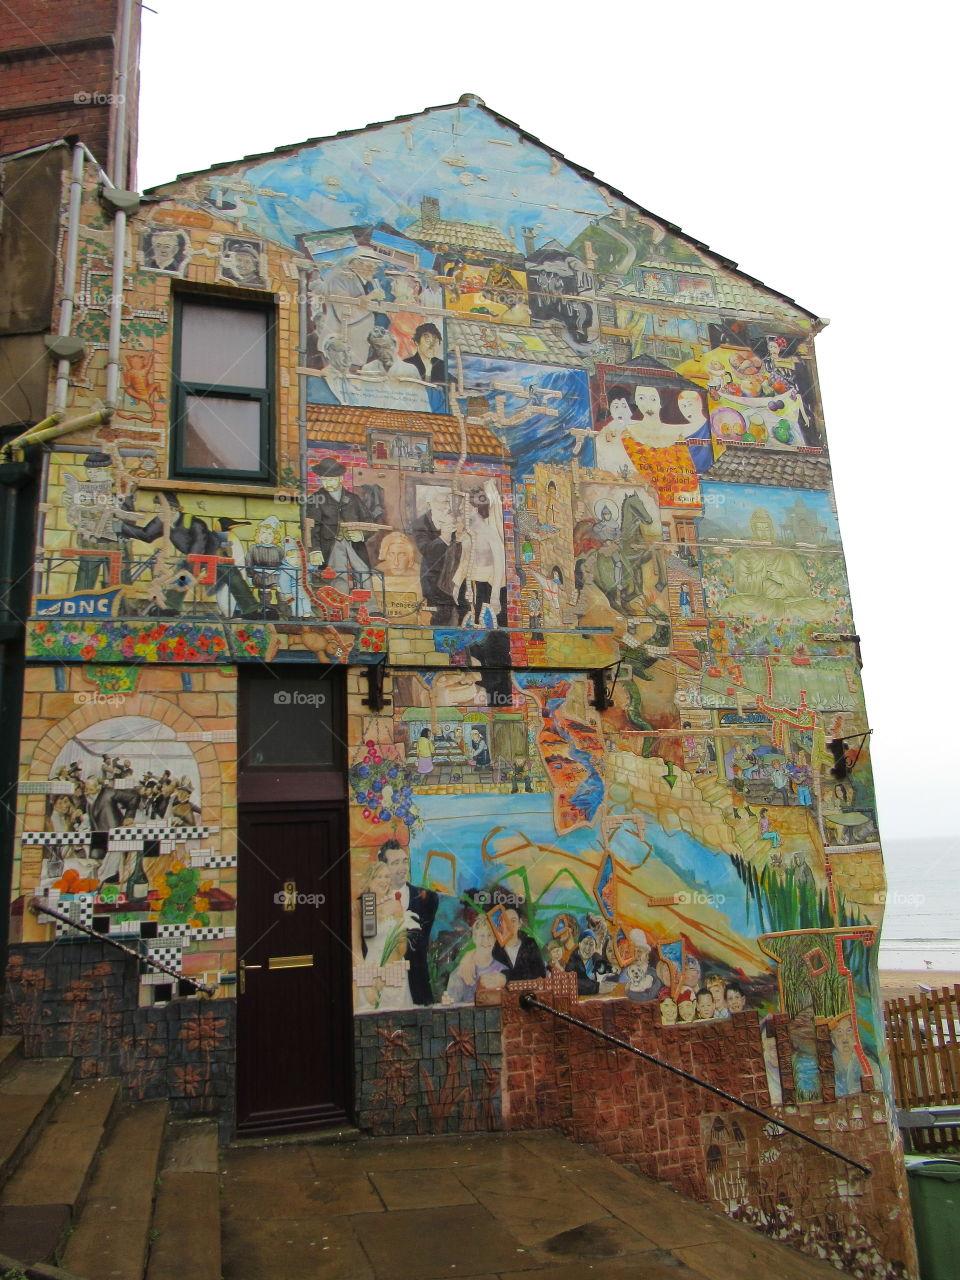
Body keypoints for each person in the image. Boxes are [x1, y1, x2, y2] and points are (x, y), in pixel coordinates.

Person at [376, 839, 438, 1005]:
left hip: (416, 986)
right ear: (384, 867)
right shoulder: (370, 902)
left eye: (405, 861)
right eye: (395, 863)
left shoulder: (428, 899)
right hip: (381, 985)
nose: (403, 868)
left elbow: (419, 942)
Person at [304, 457, 374, 592]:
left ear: (341, 479)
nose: (327, 482)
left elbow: (369, 523)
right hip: (330, 545)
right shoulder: (315, 499)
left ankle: (371, 610)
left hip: (354, 545)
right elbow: (312, 528)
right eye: (324, 479)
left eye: (331, 479)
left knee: (363, 573)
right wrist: (315, 550)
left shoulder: (354, 499)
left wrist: (362, 535)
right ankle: (341, 609)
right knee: (338, 576)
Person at [317, 251, 386, 368]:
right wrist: (370, 298)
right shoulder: (340, 277)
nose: (372, 271)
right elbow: (344, 313)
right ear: (354, 264)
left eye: (375, 268)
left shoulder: (365, 283)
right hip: (339, 352)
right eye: (368, 266)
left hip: (356, 353)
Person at [411, 489, 463, 626]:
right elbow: (427, 551)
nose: (447, 506)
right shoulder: (420, 523)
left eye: (448, 501)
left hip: (455, 577)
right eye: (442, 502)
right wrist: (444, 536)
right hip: (434, 579)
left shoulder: (456, 519)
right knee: (441, 617)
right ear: (430, 504)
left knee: (461, 614)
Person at [442, 913, 507, 1005]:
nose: (486, 941)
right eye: (481, 936)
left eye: (490, 935)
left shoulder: (502, 970)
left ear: (495, 939)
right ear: (474, 938)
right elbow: (451, 1006)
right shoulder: (461, 971)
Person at [491, 905, 546, 982]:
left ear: (520, 923)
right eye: (506, 920)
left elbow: (541, 974)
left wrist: (507, 976)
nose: (509, 925)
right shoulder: (495, 949)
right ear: (501, 924)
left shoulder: (530, 944)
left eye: (513, 920)